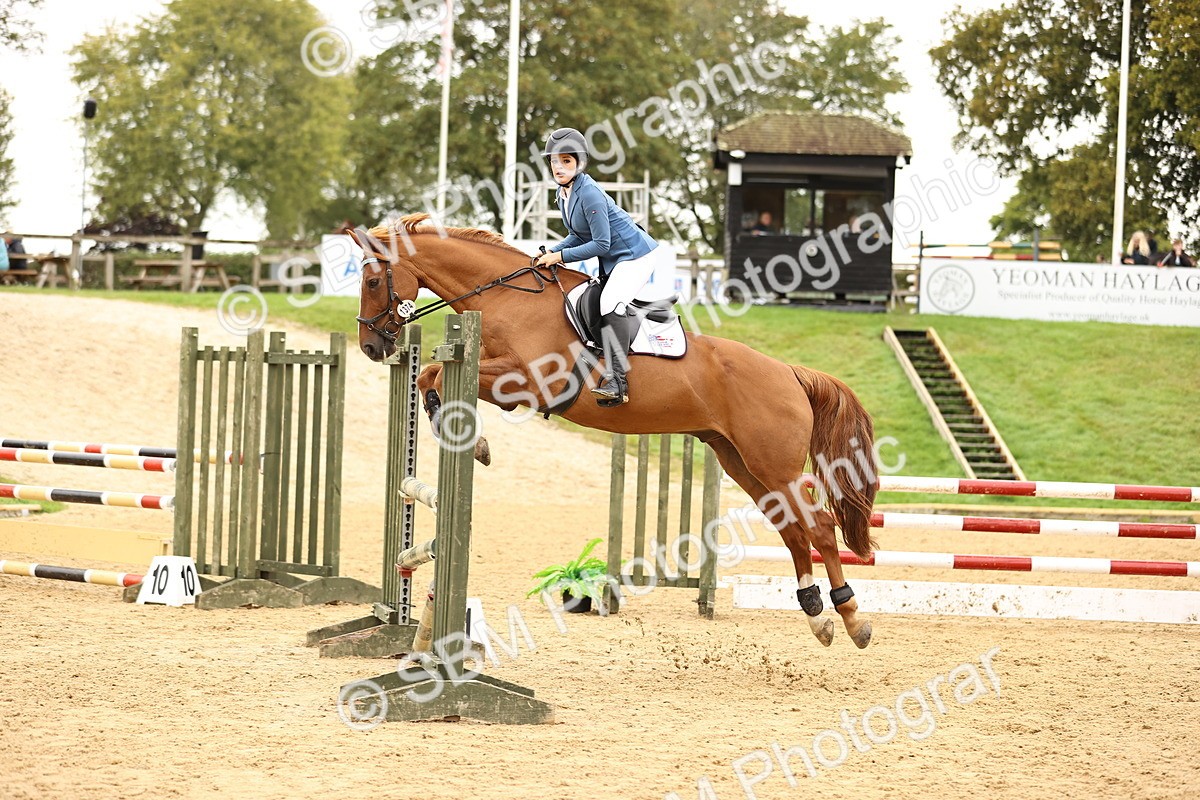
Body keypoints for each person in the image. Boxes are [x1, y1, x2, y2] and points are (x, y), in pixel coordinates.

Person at [532, 127, 672, 407]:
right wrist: (553, 251)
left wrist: (559, 258)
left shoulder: (590, 193)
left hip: (635, 256)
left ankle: (618, 381)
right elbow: (578, 235)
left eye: (566, 161)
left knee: (609, 302)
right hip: (616, 258)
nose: (558, 167)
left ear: (579, 163)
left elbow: (601, 244)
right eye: (553, 161)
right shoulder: (564, 193)